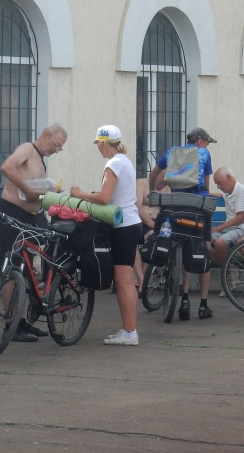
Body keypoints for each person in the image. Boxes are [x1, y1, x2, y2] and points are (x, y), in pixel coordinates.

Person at [0, 124, 68, 342]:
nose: (56, 151)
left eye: (60, 148)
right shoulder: (27, 149)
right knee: (11, 269)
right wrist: (26, 190)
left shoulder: (40, 159)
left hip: (30, 218)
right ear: (46, 135)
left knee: (25, 270)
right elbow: (7, 167)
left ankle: (22, 321)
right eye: (56, 145)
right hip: (12, 215)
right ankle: (10, 324)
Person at [70, 125, 142, 345]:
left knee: (123, 280)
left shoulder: (113, 164)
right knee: (126, 279)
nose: (98, 148)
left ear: (103, 143)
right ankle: (129, 330)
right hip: (132, 223)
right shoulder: (124, 161)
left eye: (97, 144)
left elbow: (104, 198)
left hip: (123, 227)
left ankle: (129, 332)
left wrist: (80, 194)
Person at [148, 127, 216, 319]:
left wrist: (153, 190)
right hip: (198, 206)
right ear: (200, 141)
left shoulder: (172, 152)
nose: (207, 145)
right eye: (207, 142)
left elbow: (154, 174)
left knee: (181, 243)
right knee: (203, 248)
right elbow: (206, 186)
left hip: (175, 204)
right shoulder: (204, 153)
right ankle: (203, 305)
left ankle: (184, 299)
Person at [208, 167, 244, 267]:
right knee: (205, 243)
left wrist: (217, 228)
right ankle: (230, 269)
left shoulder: (242, 191)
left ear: (229, 177)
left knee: (220, 242)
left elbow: (240, 218)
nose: (218, 186)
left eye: (219, 183)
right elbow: (221, 195)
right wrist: (208, 193)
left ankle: (228, 271)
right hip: (231, 229)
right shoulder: (229, 193)